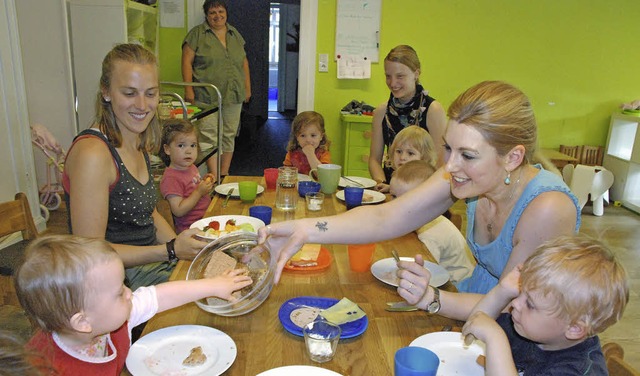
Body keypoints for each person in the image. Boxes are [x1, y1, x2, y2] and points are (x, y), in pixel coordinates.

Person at [258, 81, 581, 292]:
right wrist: (304, 229)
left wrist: (433, 300)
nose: (450, 166)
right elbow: (385, 218)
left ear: (512, 157)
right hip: (472, 309)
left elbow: (511, 308)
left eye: (467, 155)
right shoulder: (468, 177)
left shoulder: (548, 208)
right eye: (448, 149)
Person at [63, 43, 208, 291]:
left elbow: (146, 213)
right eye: (129, 93)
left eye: (150, 93)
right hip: (117, 282)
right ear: (106, 92)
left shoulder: (136, 140)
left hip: (153, 261)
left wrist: (183, 245)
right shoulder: (93, 153)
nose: (142, 105)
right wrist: (171, 250)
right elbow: (90, 252)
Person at [14, 235, 252, 375]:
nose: (130, 294)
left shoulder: (106, 317)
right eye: (119, 292)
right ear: (83, 321)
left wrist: (213, 285)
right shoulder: (45, 368)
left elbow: (160, 296)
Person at [401, 235, 628, 374]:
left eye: (530, 303)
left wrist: (496, 338)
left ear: (575, 328)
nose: (515, 305)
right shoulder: (530, 325)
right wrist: (502, 292)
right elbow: (474, 326)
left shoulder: (576, 370)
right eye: (520, 293)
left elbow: (487, 332)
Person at [182, 0, 251, 178]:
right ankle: (214, 176)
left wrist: (247, 88)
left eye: (220, 11)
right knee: (208, 137)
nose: (217, 15)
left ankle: (224, 173)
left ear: (226, 13)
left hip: (233, 94)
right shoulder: (196, 34)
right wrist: (188, 89)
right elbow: (186, 62)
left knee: (229, 135)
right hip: (206, 96)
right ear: (206, 15)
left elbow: (243, 62)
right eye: (212, 12)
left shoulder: (235, 34)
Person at [368, 45, 447, 193]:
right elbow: (374, 160)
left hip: (423, 191)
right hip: (390, 187)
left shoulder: (433, 110)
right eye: (388, 76)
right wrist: (382, 183)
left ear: (416, 73)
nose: (392, 83)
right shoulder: (381, 112)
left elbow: (441, 163)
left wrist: (412, 189)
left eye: (400, 76)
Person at [389, 160, 474, 285]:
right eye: (394, 196)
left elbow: (422, 273)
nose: (396, 205)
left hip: (455, 287)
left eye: (406, 200)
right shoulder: (426, 219)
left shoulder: (431, 234)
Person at [159, 118, 215, 233]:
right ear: (167, 149)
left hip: (206, 218)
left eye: (193, 145)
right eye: (181, 146)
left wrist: (204, 182)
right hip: (191, 229)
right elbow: (178, 210)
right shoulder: (171, 178)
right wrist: (199, 192)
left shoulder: (191, 167)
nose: (188, 151)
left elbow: (191, 187)